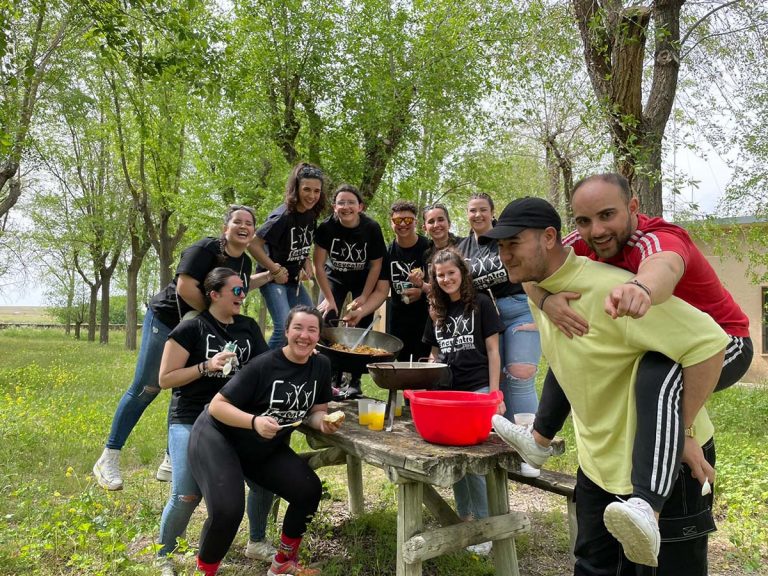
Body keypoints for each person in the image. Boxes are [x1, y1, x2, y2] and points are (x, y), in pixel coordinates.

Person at [500, 175, 752, 563]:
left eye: (607, 215)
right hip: (669, 337)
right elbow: (538, 268)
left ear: (633, 207)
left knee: (658, 371)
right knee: (571, 353)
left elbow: (663, 268)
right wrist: (548, 302)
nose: (596, 230)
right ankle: (539, 437)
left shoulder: (656, 239)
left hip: (725, 341)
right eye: (584, 221)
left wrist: (643, 290)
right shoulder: (578, 245)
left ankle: (647, 505)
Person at [92, 205, 266, 490]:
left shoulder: (245, 264)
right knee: (147, 388)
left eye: (249, 223)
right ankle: (109, 456)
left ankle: (170, 459)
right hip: (167, 320)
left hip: (198, 326)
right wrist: (213, 324)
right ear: (226, 227)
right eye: (237, 221)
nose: (244, 226)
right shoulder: (204, 250)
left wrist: (272, 273)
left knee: (190, 386)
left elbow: (239, 288)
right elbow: (186, 288)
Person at [188, 306, 342, 576]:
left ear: (320, 335)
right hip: (219, 436)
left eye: (312, 330)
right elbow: (217, 406)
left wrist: (324, 423)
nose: (304, 336)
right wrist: (254, 421)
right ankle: (206, 571)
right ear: (286, 332)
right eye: (298, 328)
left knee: (308, 490)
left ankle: (283, 562)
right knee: (227, 511)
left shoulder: (321, 365)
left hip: (262, 446)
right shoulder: (264, 365)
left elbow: (316, 411)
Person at [155, 268, 269, 576]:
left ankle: (257, 541)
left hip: (234, 417)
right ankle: (163, 553)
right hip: (191, 418)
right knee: (187, 493)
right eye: (235, 290)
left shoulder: (248, 327)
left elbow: (265, 368)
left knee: (263, 481)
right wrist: (206, 365)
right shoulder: (191, 328)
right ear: (214, 294)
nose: (242, 295)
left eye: (243, 289)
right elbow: (165, 378)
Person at [423, 248, 504, 556]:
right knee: (456, 460)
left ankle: (484, 528)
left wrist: (495, 394)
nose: (446, 279)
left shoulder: (481, 303)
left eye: (451, 273)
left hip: (479, 390)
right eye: (440, 275)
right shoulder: (435, 309)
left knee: (476, 462)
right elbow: (434, 355)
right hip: (448, 394)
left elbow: (494, 351)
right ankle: (465, 518)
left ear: (462, 273)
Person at [457, 192, 542, 477]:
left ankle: (534, 449)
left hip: (519, 308)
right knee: (498, 381)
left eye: (483, 210)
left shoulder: (506, 238)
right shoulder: (463, 247)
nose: (477, 215)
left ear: (492, 212)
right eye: (472, 211)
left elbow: (531, 269)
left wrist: (539, 309)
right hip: (486, 317)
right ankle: (506, 450)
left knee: (519, 373)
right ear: (466, 215)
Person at [314, 184, 386, 397]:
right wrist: (328, 298)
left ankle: (354, 379)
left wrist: (364, 296)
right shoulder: (326, 228)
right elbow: (318, 265)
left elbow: (376, 265)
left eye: (351, 202)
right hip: (334, 277)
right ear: (334, 207)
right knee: (328, 317)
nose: (346, 207)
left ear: (360, 207)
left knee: (360, 322)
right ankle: (330, 377)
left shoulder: (371, 228)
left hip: (362, 277)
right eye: (341, 202)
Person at [249, 162, 327, 349]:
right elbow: (253, 244)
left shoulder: (311, 214)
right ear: (296, 188)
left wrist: (306, 260)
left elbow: (299, 241)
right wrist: (274, 269)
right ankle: (266, 369)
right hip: (272, 281)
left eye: (316, 191)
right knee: (283, 327)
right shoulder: (282, 216)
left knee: (312, 319)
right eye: (306, 189)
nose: (312, 196)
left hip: (293, 281)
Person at [385, 200, 431, 362]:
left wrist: (421, 291)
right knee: (401, 365)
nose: (403, 224)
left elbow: (441, 286)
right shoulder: (388, 252)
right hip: (398, 316)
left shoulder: (428, 248)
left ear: (416, 222)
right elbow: (381, 288)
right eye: (398, 220)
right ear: (391, 223)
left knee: (423, 364)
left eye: (408, 220)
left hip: (425, 318)